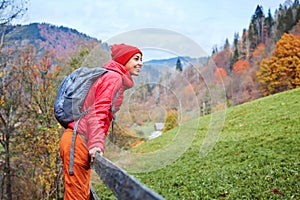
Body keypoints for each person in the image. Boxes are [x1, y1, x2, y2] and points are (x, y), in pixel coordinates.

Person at [59, 43, 143, 199]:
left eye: (141, 59)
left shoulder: (115, 78)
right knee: (76, 196)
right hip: (77, 142)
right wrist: (96, 144)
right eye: (136, 59)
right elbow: (98, 112)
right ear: (124, 60)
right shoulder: (113, 78)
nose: (140, 63)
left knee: (82, 194)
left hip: (79, 141)